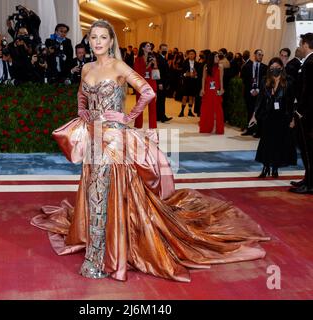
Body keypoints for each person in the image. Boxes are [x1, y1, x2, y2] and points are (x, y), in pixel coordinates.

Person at [31, 19, 269, 282]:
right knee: (95, 190)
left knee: (101, 191)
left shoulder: (119, 66)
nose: (97, 42)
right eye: (93, 37)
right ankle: (105, 243)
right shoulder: (86, 67)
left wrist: (126, 117)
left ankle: (97, 258)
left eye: (102, 38)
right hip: (93, 136)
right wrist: (83, 113)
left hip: (113, 138)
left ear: (111, 42)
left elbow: (147, 92)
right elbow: (81, 95)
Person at [249, 58, 297, 178]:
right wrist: (254, 115)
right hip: (268, 116)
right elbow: (260, 99)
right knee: (266, 142)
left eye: (276, 67)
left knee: (278, 143)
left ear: (281, 67)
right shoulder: (265, 80)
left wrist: (292, 118)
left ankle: (275, 168)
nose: (274, 69)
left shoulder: (288, 81)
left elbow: (292, 102)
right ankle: (265, 167)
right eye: (272, 67)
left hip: (282, 117)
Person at [290, 33, 313, 195]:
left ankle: (310, 184)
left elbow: (308, 91)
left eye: (300, 44)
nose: (299, 47)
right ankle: (308, 179)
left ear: (306, 45)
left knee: (307, 150)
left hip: (307, 114)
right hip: (308, 113)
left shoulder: (311, 62)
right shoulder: (310, 61)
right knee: (307, 150)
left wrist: (299, 111)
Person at [241, 49, 268, 136]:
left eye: (262, 55)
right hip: (249, 93)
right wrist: (251, 90)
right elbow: (244, 80)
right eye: (259, 54)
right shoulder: (247, 66)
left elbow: (265, 81)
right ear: (254, 55)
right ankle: (250, 129)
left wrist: (258, 90)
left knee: (259, 112)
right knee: (250, 111)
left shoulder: (265, 67)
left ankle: (259, 131)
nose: (261, 56)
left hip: (260, 94)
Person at [133, 42, 158, 129]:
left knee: (152, 106)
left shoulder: (153, 58)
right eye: (147, 46)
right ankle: (138, 126)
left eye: (150, 46)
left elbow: (156, 73)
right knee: (140, 106)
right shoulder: (138, 59)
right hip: (141, 84)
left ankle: (153, 127)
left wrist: (154, 64)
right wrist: (149, 64)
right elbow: (138, 72)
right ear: (143, 48)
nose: (150, 47)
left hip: (151, 83)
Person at [199, 52, 225, 135]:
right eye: (216, 56)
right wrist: (202, 89)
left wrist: (221, 89)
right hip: (208, 90)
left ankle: (216, 127)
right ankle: (208, 127)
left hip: (216, 90)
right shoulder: (206, 66)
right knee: (207, 109)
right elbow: (203, 78)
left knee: (217, 110)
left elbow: (221, 79)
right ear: (212, 58)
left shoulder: (220, 67)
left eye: (218, 57)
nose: (218, 58)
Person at [179, 49, 200, 117]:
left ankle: (190, 111)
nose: (191, 55)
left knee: (191, 97)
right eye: (190, 54)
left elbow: (198, 74)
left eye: (193, 54)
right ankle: (182, 111)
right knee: (184, 96)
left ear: (194, 55)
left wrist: (195, 75)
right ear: (188, 55)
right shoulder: (184, 62)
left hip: (193, 82)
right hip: (186, 81)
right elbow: (182, 73)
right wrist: (186, 74)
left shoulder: (197, 63)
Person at [156, 43, 173, 123]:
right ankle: (162, 117)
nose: (165, 50)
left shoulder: (163, 58)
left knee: (160, 100)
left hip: (164, 82)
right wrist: (159, 83)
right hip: (161, 83)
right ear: (159, 49)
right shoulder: (159, 58)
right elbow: (157, 72)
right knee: (161, 100)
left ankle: (158, 116)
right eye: (163, 49)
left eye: (166, 49)